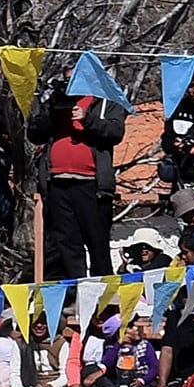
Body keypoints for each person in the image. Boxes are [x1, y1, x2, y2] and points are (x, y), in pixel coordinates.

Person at [40, 90, 122, 279]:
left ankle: (102, 295)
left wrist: (87, 119)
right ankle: (75, 291)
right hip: (57, 183)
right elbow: (35, 134)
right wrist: (52, 113)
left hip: (92, 184)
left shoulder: (106, 102)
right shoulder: (55, 100)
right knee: (66, 243)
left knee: (97, 242)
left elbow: (115, 132)